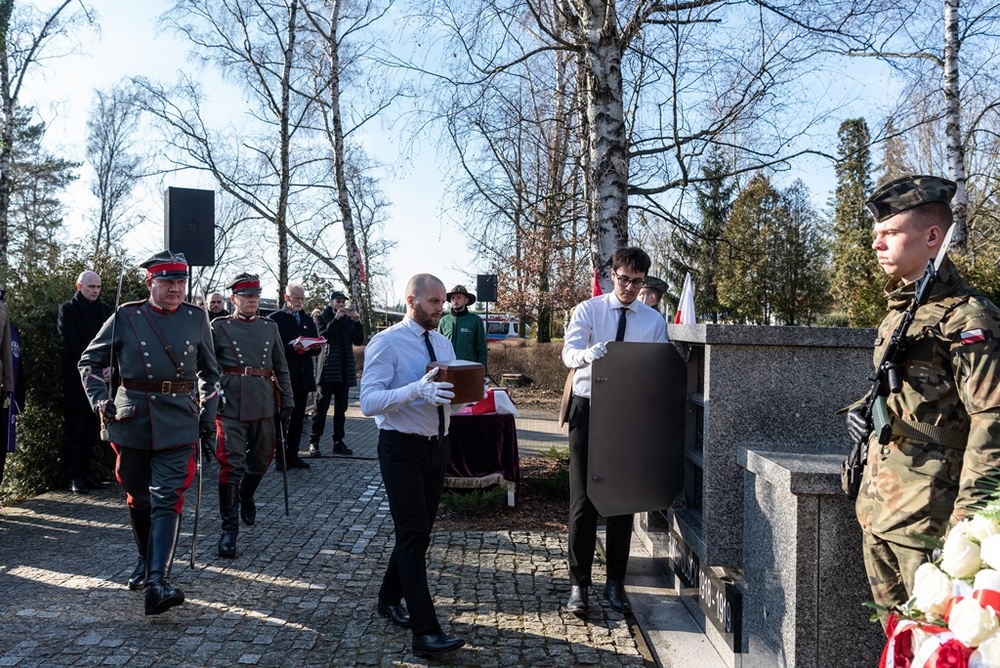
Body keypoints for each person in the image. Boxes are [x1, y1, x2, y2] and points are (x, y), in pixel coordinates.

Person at [848, 175, 1000, 613]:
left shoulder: (970, 317)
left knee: (939, 642)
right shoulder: (902, 313)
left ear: (933, 236)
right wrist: (866, 411)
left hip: (933, 518)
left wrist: (968, 526)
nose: (877, 244)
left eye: (890, 233)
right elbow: (914, 396)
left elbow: (992, 420)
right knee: (898, 640)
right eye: (876, 235)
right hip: (880, 508)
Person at [79, 250, 220, 616]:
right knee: (138, 493)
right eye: (167, 282)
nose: (175, 289)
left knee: (168, 496)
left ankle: (158, 582)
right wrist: (98, 399)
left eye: (180, 282)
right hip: (132, 417)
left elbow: (210, 373)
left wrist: (208, 416)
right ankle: (145, 559)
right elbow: (89, 361)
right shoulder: (127, 315)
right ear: (150, 283)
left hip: (179, 419)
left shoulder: (195, 317)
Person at [360, 273, 466, 658]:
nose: (442, 308)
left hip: (439, 446)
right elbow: (369, 402)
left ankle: (388, 598)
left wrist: (469, 396)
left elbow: (450, 396)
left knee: (417, 532)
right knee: (413, 534)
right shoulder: (386, 342)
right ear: (412, 300)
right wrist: (415, 391)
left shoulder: (442, 341)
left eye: (442, 301)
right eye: (435, 302)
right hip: (400, 448)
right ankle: (426, 632)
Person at [561, 247, 668, 617]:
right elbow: (568, 354)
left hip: (626, 412)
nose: (629, 288)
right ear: (612, 274)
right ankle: (579, 585)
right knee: (584, 500)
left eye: (637, 282)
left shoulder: (652, 321)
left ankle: (615, 583)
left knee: (621, 500)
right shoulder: (589, 310)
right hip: (588, 408)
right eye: (623, 279)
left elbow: (657, 366)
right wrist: (589, 354)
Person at [211, 273, 293, 558]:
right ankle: (228, 531)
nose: (253, 300)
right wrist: (207, 401)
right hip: (230, 403)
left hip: (263, 401)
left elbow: (281, 366)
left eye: (256, 295)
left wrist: (288, 402)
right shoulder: (219, 327)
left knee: (260, 461)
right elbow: (207, 368)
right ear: (233, 298)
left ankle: (246, 495)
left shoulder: (269, 327)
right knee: (230, 464)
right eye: (246, 296)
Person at [59, 271, 112, 493]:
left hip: (100, 381)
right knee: (75, 431)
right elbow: (69, 343)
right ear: (79, 286)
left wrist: (111, 365)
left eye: (98, 287)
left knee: (92, 430)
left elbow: (112, 342)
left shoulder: (105, 311)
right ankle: (75, 476)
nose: (95, 291)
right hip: (75, 380)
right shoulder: (68, 310)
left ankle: (88, 474)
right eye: (91, 287)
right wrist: (93, 366)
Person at [267, 283, 320, 470]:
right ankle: (280, 457)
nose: (300, 302)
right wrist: (291, 348)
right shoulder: (274, 320)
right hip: (284, 378)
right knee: (283, 419)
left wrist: (316, 347)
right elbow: (272, 350)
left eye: (302, 298)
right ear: (286, 298)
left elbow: (314, 346)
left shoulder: (306, 319)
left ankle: (293, 454)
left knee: (299, 419)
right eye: (296, 298)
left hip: (303, 376)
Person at [309, 290, 364, 457]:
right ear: (331, 302)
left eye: (343, 302)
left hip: (344, 370)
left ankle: (338, 442)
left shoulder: (348, 320)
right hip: (327, 370)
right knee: (321, 408)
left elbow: (358, 340)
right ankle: (314, 441)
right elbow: (323, 336)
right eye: (338, 301)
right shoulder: (322, 318)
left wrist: (357, 320)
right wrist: (335, 319)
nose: (341, 304)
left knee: (341, 409)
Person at [438, 284, 487, 364]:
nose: (455, 301)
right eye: (453, 298)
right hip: (447, 367)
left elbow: (481, 349)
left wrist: (481, 369)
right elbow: (438, 347)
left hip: (468, 368)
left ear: (466, 300)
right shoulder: (443, 321)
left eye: (459, 297)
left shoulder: (475, 320)